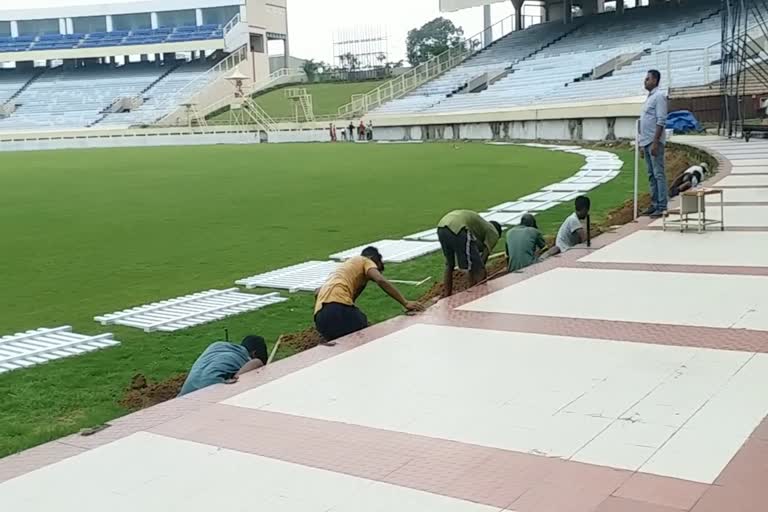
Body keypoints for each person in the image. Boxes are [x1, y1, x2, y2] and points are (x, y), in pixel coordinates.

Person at [314, 246, 424, 342]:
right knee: (368, 335)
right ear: (372, 259)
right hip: (338, 309)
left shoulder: (343, 270)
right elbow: (380, 280)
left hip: (320, 318)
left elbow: (317, 292)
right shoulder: (365, 260)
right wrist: (405, 302)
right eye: (377, 268)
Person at [437, 210, 503, 297]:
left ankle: (447, 295)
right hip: (458, 227)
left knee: (450, 264)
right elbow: (483, 259)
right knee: (478, 268)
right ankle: (476, 297)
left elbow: (475, 246)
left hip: (442, 226)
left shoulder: (479, 227)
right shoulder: (494, 233)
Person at [178, 335, 268, 396]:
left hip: (184, 395)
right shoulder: (248, 360)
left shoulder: (216, 346)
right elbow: (239, 377)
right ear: (254, 353)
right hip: (209, 395)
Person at [639, 69, 668, 218]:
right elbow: (643, 122)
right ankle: (654, 203)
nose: (645, 81)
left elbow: (661, 120)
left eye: (648, 79)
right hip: (646, 141)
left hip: (653, 141)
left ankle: (662, 206)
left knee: (658, 174)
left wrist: (656, 142)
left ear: (655, 80)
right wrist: (640, 143)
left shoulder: (659, 97)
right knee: (651, 174)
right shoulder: (649, 98)